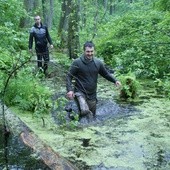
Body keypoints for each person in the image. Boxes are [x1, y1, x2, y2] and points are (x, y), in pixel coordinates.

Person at [66, 41, 121, 119]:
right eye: (88, 51)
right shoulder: (77, 62)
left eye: (92, 51)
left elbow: (106, 74)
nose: (90, 54)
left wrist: (115, 80)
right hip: (79, 92)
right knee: (84, 111)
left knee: (91, 117)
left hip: (92, 95)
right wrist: (70, 90)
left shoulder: (98, 63)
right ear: (84, 51)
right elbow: (69, 76)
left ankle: (85, 128)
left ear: (94, 51)